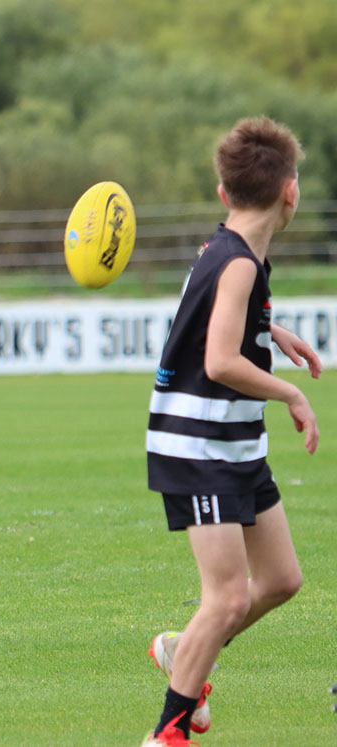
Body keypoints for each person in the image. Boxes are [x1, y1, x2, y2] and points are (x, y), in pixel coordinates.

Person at [142, 116, 321, 745]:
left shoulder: (228, 251)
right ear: (290, 192)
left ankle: (182, 649)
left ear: (224, 193)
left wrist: (272, 332)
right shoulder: (238, 263)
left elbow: (220, 315)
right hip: (199, 447)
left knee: (279, 581)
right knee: (226, 600)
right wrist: (290, 391)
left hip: (233, 444)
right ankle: (167, 733)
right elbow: (219, 361)